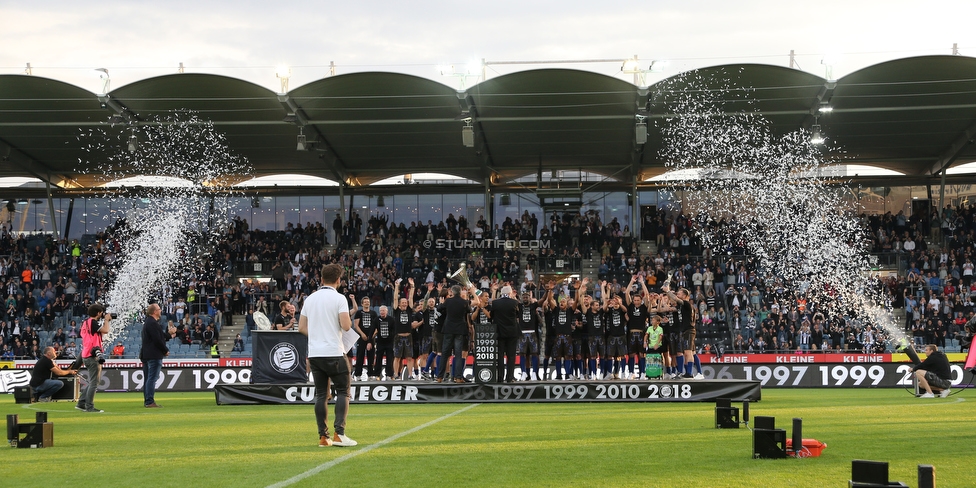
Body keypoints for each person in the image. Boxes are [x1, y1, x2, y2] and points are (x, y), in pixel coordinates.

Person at [298, 263, 357, 448]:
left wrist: (317, 336)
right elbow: (346, 326)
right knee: (343, 392)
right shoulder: (339, 299)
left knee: (322, 395)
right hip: (334, 352)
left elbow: (301, 328)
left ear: (321, 279)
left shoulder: (309, 299)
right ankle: (340, 434)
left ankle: (324, 437)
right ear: (338, 281)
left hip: (315, 354)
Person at [77, 303, 111, 413]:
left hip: (86, 353)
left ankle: (81, 403)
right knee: (94, 382)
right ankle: (89, 407)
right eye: (101, 313)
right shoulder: (92, 322)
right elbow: (106, 330)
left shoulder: (85, 323)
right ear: (98, 313)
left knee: (92, 381)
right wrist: (106, 320)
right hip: (92, 355)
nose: (102, 314)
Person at [141, 303, 175, 408]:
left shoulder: (149, 322)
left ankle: (147, 400)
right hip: (153, 355)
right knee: (152, 378)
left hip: (146, 354)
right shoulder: (153, 323)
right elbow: (157, 340)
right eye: (159, 309)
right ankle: (149, 401)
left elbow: (159, 336)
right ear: (155, 311)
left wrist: (169, 334)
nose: (160, 311)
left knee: (148, 379)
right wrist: (165, 350)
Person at [491, 284, 521, 383]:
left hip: (499, 332)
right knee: (511, 356)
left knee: (500, 356)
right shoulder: (514, 302)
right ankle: (510, 377)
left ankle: (500, 377)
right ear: (509, 293)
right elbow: (518, 315)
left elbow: (491, 316)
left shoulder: (495, 303)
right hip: (512, 332)